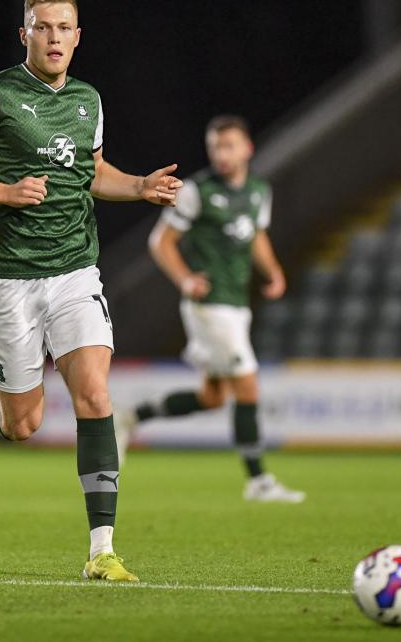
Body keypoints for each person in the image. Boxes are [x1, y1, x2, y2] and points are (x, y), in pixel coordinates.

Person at [0, 0, 182, 583]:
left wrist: (138, 186)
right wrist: (4, 192)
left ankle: (102, 551)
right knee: (23, 424)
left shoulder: (88, 99)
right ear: (25, 35)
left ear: (77, 36)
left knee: (94, 395)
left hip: (74, 271)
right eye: (42, 27)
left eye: (64, 28)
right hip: (8, 277)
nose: (53, 38)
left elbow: (90, 172)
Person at [114, 115, 305, 504]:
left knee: (213, 396)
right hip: (209, 305)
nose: (221, 154)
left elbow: (256, 236)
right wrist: (185, 279)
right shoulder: (197, 191)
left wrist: (273, 271)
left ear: (247, 149)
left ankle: (130, 416)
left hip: (236, 304)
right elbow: (160, 242)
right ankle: (258, 481)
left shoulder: (258, 191)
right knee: (247, 384)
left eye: (229, 145)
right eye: (216, 146)